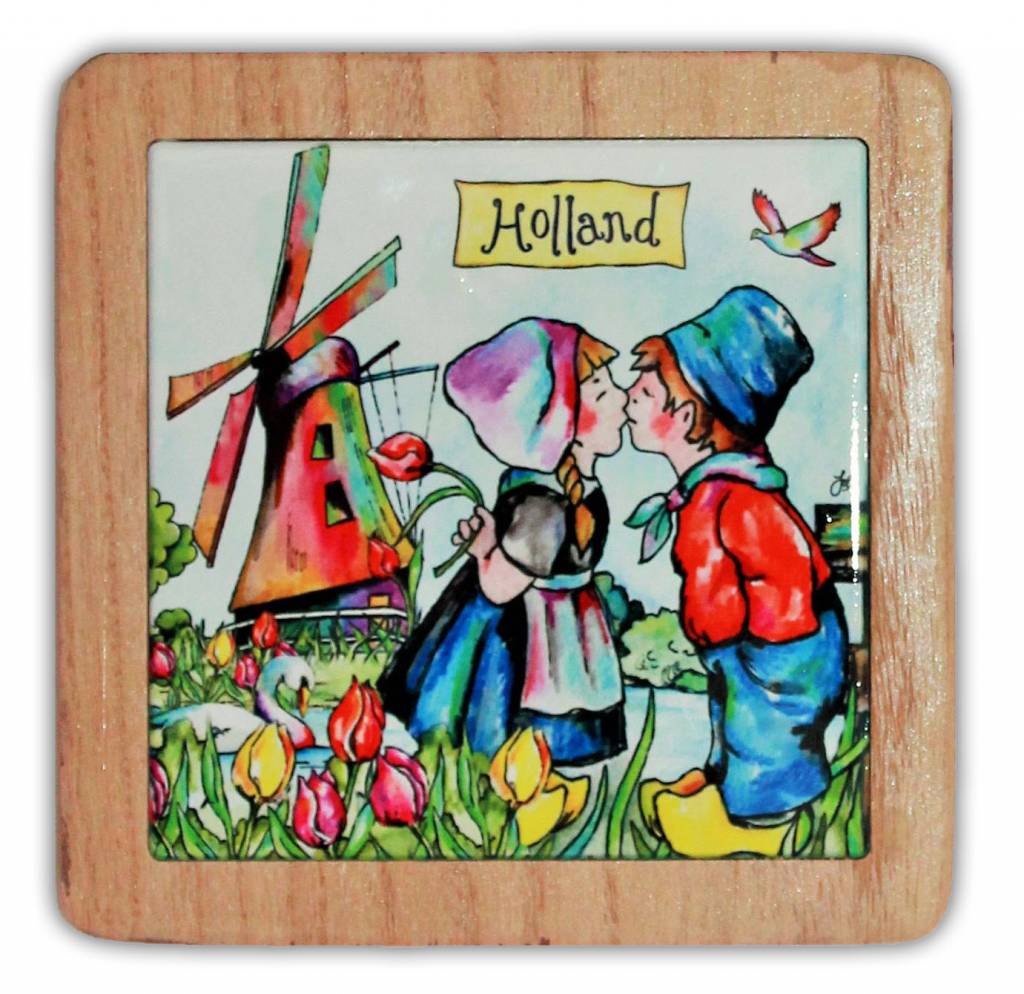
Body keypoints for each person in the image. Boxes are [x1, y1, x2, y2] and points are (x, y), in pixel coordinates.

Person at [625, 285, 849, 853]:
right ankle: (722, 785)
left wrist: (717, 636)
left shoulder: (722, 498)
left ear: (687, 416)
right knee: (738, 716)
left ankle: (758, 825)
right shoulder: (728, 486)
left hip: (780, 647)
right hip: (781, 638)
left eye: (645, 389)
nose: (629, 397)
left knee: (763, 731)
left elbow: (732, 599)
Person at [379, 317, 629, 764]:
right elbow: (498, 588)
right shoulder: (541, 504)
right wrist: (483, 551)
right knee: (510, 743)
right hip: (534, 640)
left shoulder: (572, 488)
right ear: (561, 419)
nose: (622, 399)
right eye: (603, 392)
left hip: (567, 634)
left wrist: (486, 544)